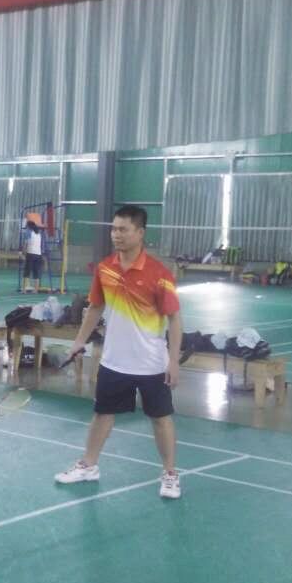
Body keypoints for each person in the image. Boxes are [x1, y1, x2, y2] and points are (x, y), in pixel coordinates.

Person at [55, 205, 183, 500]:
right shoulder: (105, 269)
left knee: (161, 418)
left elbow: (175, 319)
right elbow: (95, 307)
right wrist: (79, 341)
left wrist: (174, 361)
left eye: (123, 229)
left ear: (140, 233)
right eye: (114, 229)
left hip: (151, 363)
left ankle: (170, 473)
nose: (116, 235)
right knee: (102, 415)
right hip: (114, 361)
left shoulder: (160, 274)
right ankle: (88, 465)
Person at [21, 218, 44, 293]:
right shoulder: (39, 233)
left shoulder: (28, 232)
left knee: (27, 272)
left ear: (28, 226)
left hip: (30, 254)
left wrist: (22, 253)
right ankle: (36, 290)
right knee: (36, 272)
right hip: (38, 254)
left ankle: (24, 290)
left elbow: (25, 244)